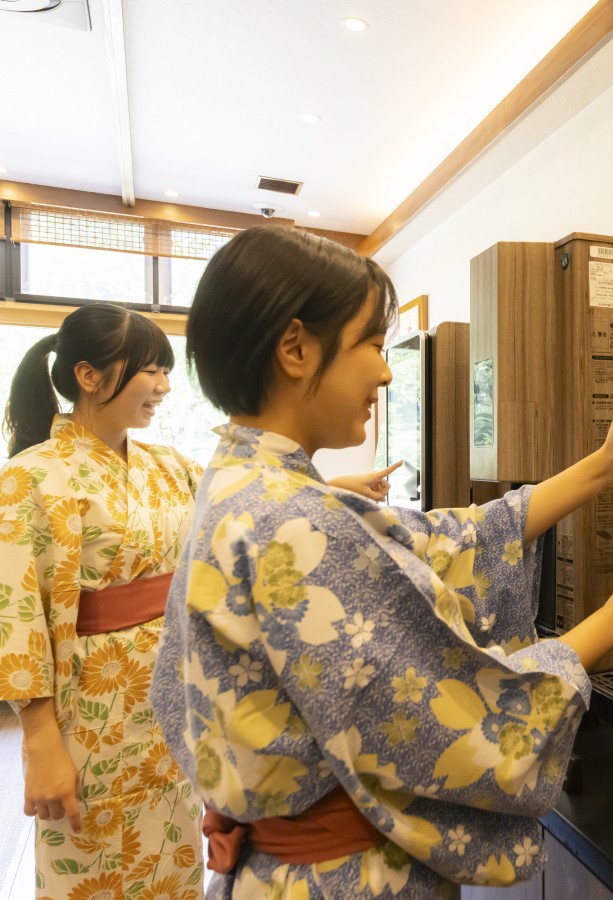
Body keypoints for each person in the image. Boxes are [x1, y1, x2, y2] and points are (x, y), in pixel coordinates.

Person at [149, 226, 613, 898]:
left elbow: (447, 538)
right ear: (295, 348)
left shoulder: (237, 485)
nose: (384, 370)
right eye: (371, 344)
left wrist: (606, 464)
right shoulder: (295, 521)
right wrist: (611, 623)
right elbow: (464, 731)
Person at [0, 302, 399, 900]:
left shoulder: (165, 465)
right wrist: (39, 741)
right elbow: (17, 612)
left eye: (165, 370)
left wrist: (336, 488)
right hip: (93, 712)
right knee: (96, 866)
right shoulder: (28, 477)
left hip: (172, 694)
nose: (164, 386)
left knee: (179, 855)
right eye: (150, 370)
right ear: (89, 376)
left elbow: (244, 498)